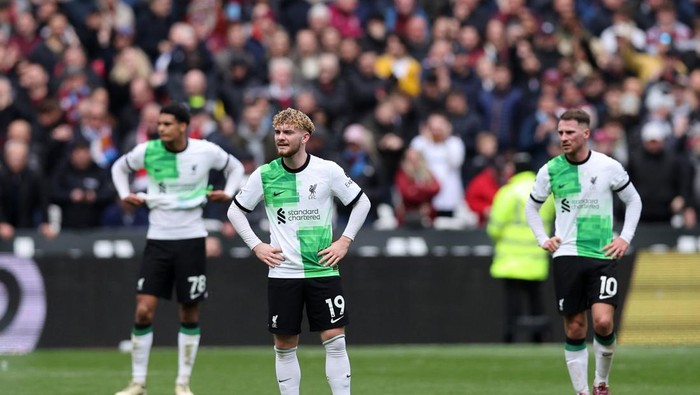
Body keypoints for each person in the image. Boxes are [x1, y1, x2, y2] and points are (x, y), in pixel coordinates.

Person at [227, 108, 371, 395]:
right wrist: (257, 246)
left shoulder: (327, 171)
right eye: (278, 132)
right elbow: (235, 211)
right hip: (283, 272)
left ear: (305, 137)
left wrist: (345, 241)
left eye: (288, 132)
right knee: (284, 345)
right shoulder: (265, 174)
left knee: (335, 339)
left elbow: (361, 202)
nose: (281, 137)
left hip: (322, 268)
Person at [111, 102, 245, 395]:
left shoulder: (204, 151)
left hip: (192, 239)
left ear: (183, 126)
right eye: (159, 124)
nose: (161, 129)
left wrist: (229, 193)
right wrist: (125, 194)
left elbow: (235, 167)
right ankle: (138, 382)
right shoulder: (148, 150)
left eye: (167, 124)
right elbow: (119, 167)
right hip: (158, 239)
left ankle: (182, 382)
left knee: (188, 313)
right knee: (144, 310)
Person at [525, 109, 642, 395]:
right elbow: (532, 207)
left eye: (569, 132)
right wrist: (543, 238)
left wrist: (624, 238)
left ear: (586, 134)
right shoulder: (550, 170)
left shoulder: (607, 166)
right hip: (567, 255)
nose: (563, 138)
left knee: (603, 322)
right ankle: (582, 392)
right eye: (560, 132)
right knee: (576, 328)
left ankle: (601, 382)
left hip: (602, 254)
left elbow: (634, 200)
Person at [487, 153, 554, 343]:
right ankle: (540, 338)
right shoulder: (545, 193)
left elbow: (495, 226)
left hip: (511, 258)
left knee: (513, 304)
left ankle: (511, 337)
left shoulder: (509, 192)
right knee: (536, 300)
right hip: (536, 256)